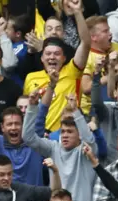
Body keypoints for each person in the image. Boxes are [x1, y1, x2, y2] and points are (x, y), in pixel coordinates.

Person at [24, 70, 99, 201]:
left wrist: (76, 111)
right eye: (63, 131)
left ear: (79, 135)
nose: (64, 135)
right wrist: (32, 107)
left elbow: (89, 139)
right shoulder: (53, 147)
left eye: (70, 132)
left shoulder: (86, 151)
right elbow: (28, 138)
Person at [23, 0, 91, 133]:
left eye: (57, 54)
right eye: (48, 54)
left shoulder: (72, 72)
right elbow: (26, 111)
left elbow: (86, 43)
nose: (52, 57)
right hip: (38, 138)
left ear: (64, 58)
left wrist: (77, 12)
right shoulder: (31, 78)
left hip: (66, 136)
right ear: (41, 58)